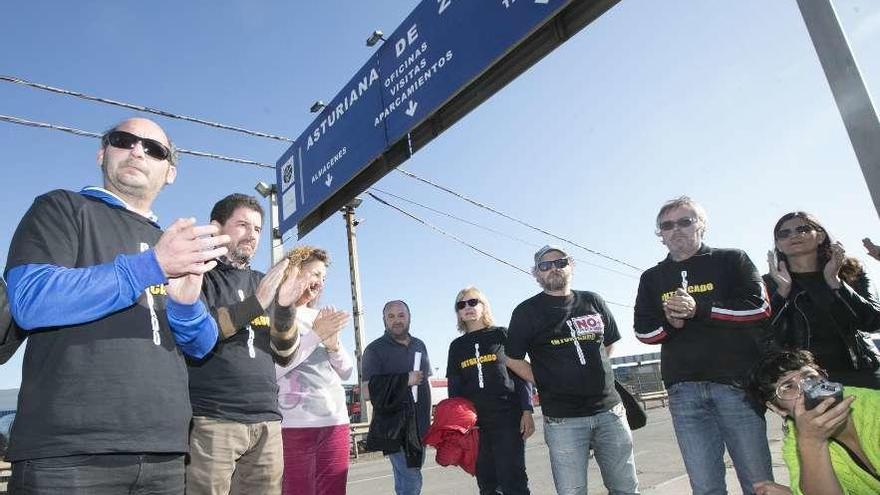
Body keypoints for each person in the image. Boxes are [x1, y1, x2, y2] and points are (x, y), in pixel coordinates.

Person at [4, 118, 227, 494]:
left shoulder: (170, 242)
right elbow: (29, 299)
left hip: (165, 452)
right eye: (124, 140)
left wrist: (186, 306)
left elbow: (202, 345)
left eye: (154, 149)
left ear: (169, 172)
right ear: (101, 153)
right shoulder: (62, 207)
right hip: (68, 454)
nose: (137, 150)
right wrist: (149, 267)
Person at [633, 196, 774, 495]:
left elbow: (758, 309)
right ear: (660, 235)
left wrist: (700, 309)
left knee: (759, 483)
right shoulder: (651, 278)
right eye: (667, 225)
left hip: (737, 385)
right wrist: (672, 323)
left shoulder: (732, 259)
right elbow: (643, 332)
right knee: (705, 486)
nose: (676, 230)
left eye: (685, 221)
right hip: (684, 392)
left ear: (702, 225)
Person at [186, 193, 298, 494]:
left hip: (267, 420)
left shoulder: (265, 281)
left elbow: (284, 354)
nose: (252, 235)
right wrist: (257, 303)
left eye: (258, 229)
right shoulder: (197, 276)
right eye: (243, 225)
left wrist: (285, 308)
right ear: (216, 227)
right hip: (213, 418)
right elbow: (199, 334)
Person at [506, 245, 639, 495]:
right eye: (545, 265)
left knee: (625, 488)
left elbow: (608, 343)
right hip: (563, 419)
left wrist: (592, 372)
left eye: (560, 262)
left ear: (572, 266)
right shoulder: (526, 312)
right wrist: (545, 380)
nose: (553, 268)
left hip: (610, 412)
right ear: (536, 274)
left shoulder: (592, 300)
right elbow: (512, 359)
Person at [270, 245, 351, 495]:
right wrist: (316, 335)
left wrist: (333, 344)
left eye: (324, 277)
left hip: (335, 421)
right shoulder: (272, 313)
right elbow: (273, 371)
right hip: (292, 426)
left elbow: (347, 372)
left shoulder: (320, 315)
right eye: (315, 274)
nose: (320, 282)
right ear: (293, 271)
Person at [766, 212, 880, 389]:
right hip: (805, 379)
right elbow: (762, 334)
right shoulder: (768, 283)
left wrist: (835, 282)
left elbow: (873, 322)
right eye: (784, 233)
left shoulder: (852, 270)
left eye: (802, 229)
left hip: (863, 373)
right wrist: (782, 292)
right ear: (778, 245)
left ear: (820, 236)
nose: (794, 235)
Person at [747, 349, 880, 495]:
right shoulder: (796, 446)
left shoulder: (874, 406)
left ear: (824, 377)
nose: (807, 388)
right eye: (788, 387)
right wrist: (812, 442)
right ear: (777, 408)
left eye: (809, 377)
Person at [446, 286, 534, 495]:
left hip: (508, 418)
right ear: (458, 312)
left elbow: (522, 376)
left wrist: (527, 410)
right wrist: (460, 425)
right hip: (476, 425)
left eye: (473, 302)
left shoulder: (502, 335)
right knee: (487, 483)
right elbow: (455, 389)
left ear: (484, 306)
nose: (467, 307)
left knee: (513, 480)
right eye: (461, 304)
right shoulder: (456, 346)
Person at [362, 300, 432, 495]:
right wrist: (405, 380)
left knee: (406, 479)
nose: (397, 320)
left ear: (409, 317)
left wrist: (431, 419)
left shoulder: (420, 345)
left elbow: (427, 383)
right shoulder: (374, 350)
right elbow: (367, 391)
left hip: (421, 426)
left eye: (401, 315)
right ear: (384, 320)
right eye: (391, 316)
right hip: (395, 427)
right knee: (411, 479)